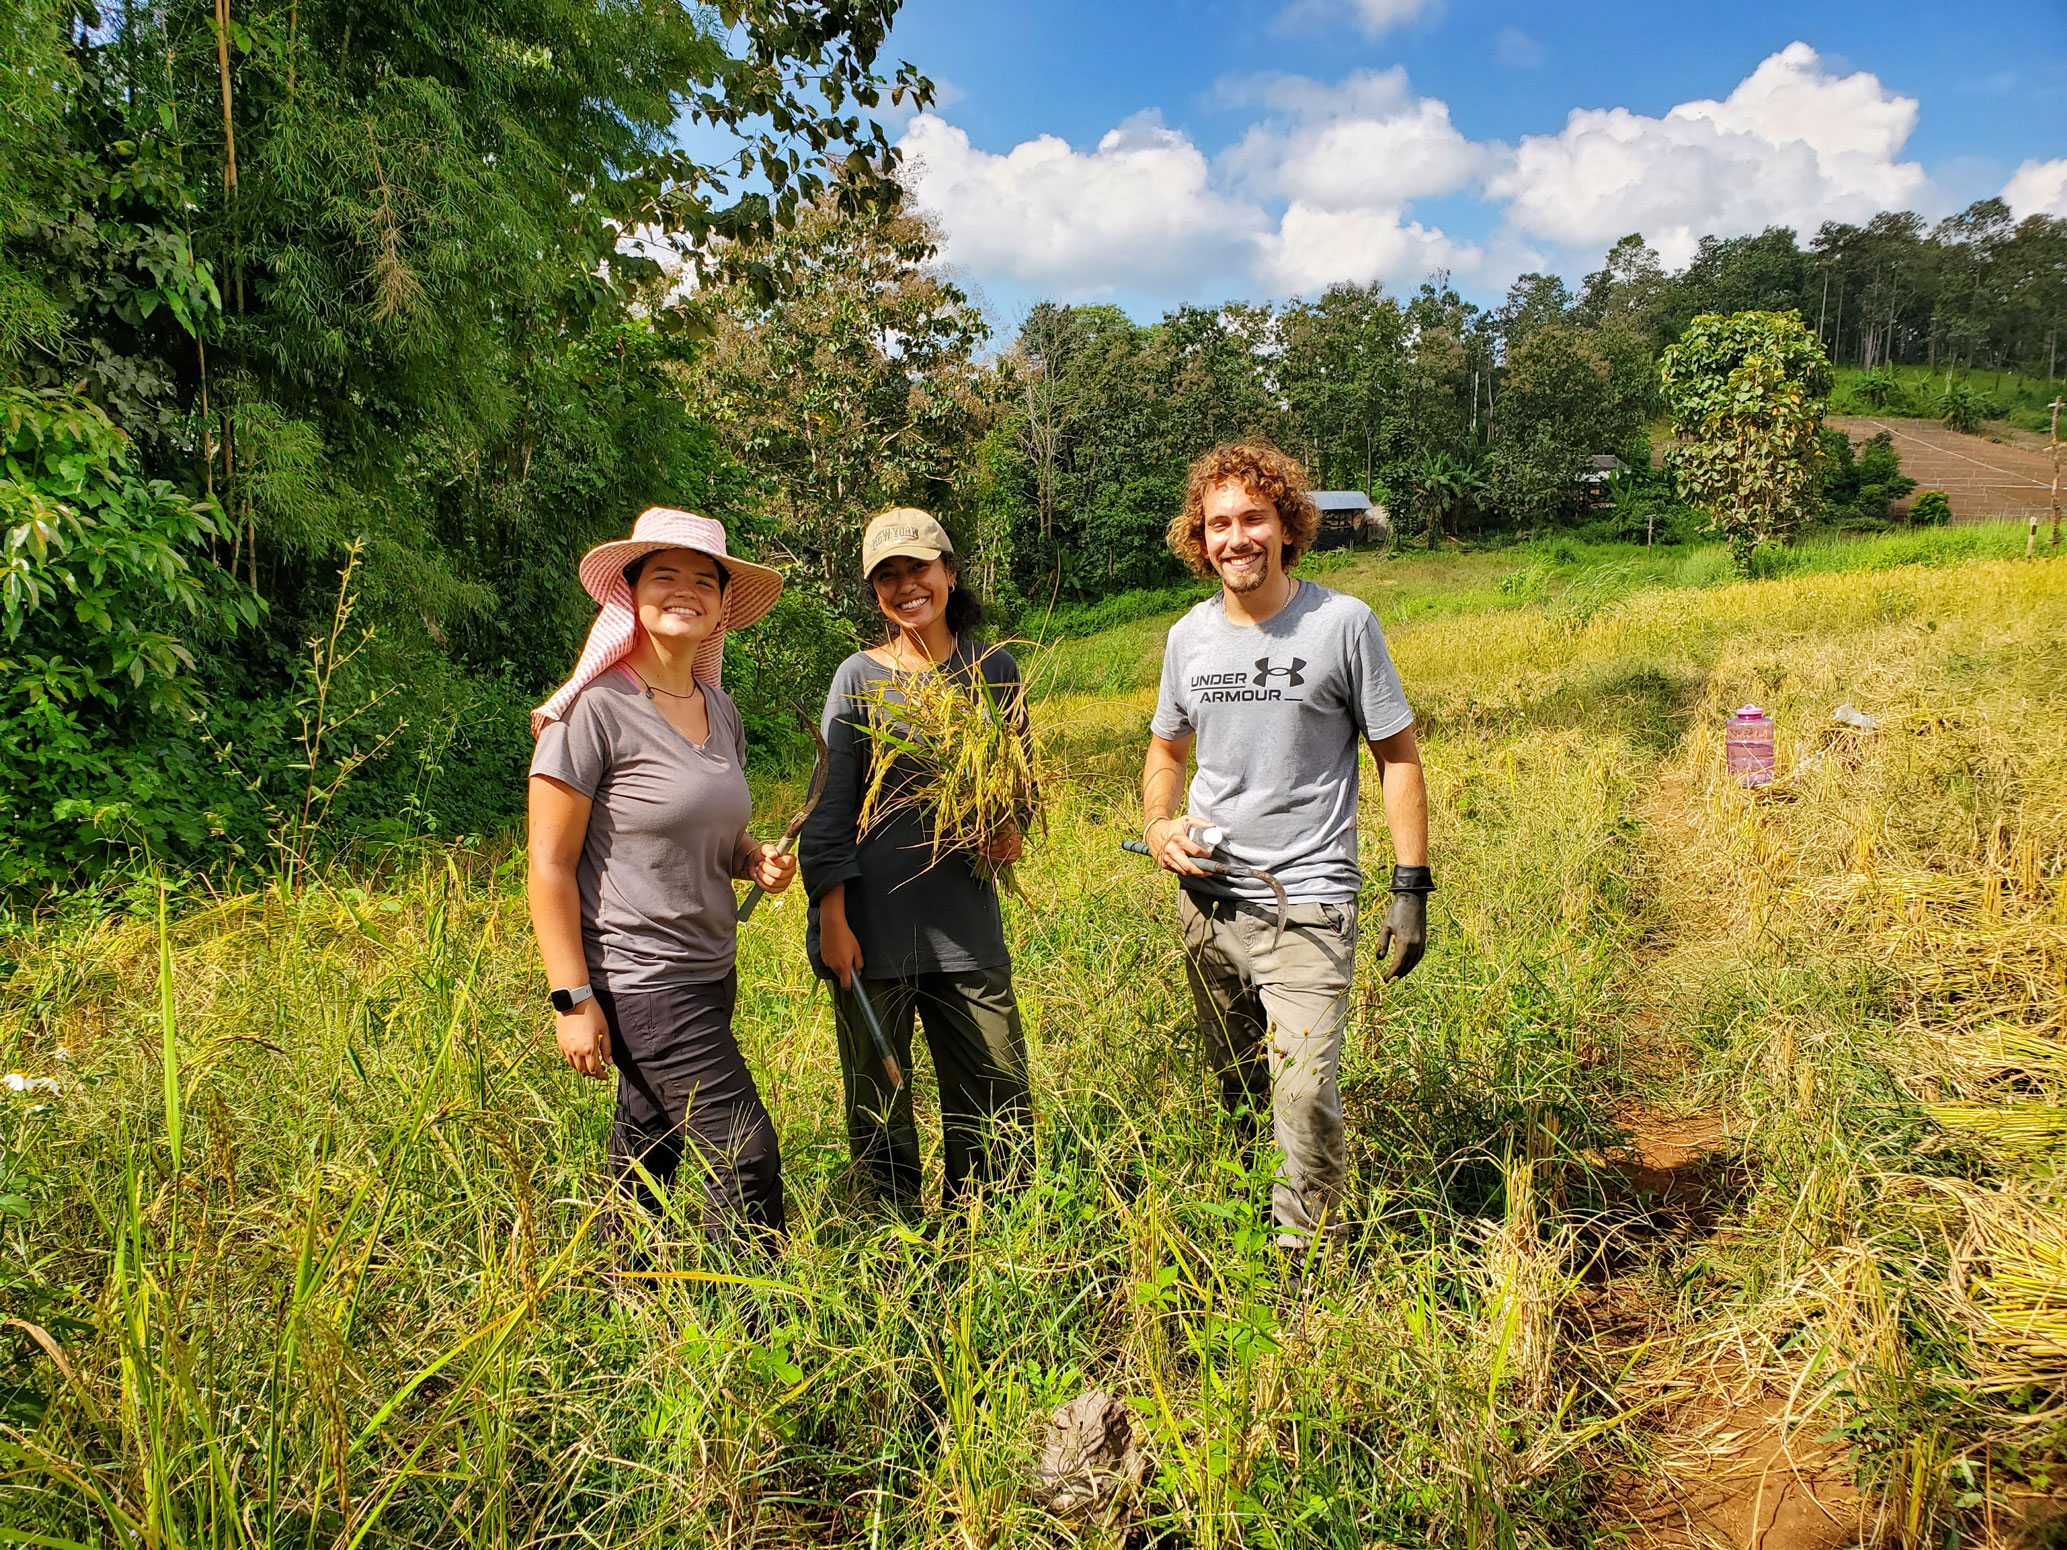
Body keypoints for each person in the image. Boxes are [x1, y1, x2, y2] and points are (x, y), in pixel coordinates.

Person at [1138, 442, 1432, 1257]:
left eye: (1253, 519)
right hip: (1207, 902)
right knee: (1235, 1089)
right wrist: (1161, 827)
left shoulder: (1341, 624)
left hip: (1306, 898)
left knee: (1300, 1093)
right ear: (1199, 538)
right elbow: (1165, 754)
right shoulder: (1186, 638)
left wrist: (1411, 887)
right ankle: (1240, 1237)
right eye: (1218, 523)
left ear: (1287, 528)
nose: (1236, 538)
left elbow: (1396, 756)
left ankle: (1304, 1263)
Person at [526, 507, 798, 1249]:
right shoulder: (593, 712)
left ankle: (622, 1295)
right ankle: (749, 1326)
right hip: (641, 979)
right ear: (630, 594)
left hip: (709, 966)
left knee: (649, 1142)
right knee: (743, 1152)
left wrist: (752, 860)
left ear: (720, 606)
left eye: (704, 580)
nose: (687, 591)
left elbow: (711, 827)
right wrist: (572, 998)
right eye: (665, 576)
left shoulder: (718, 707)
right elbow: (547, 866)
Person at [798, 508, 1032, 1212]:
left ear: (949, 573)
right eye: (887, 576)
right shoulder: (859, 678)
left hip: (966, 928)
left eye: (918, 569)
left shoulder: (992, 668)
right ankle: (890, 1236)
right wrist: (831, 920)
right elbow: (828, 813)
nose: (906, 587)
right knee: (880, 1101)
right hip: (873, 932)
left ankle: (990, 1234)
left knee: (997, 1094)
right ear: (875, 591)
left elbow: (1016, 788)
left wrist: (1009, 831)